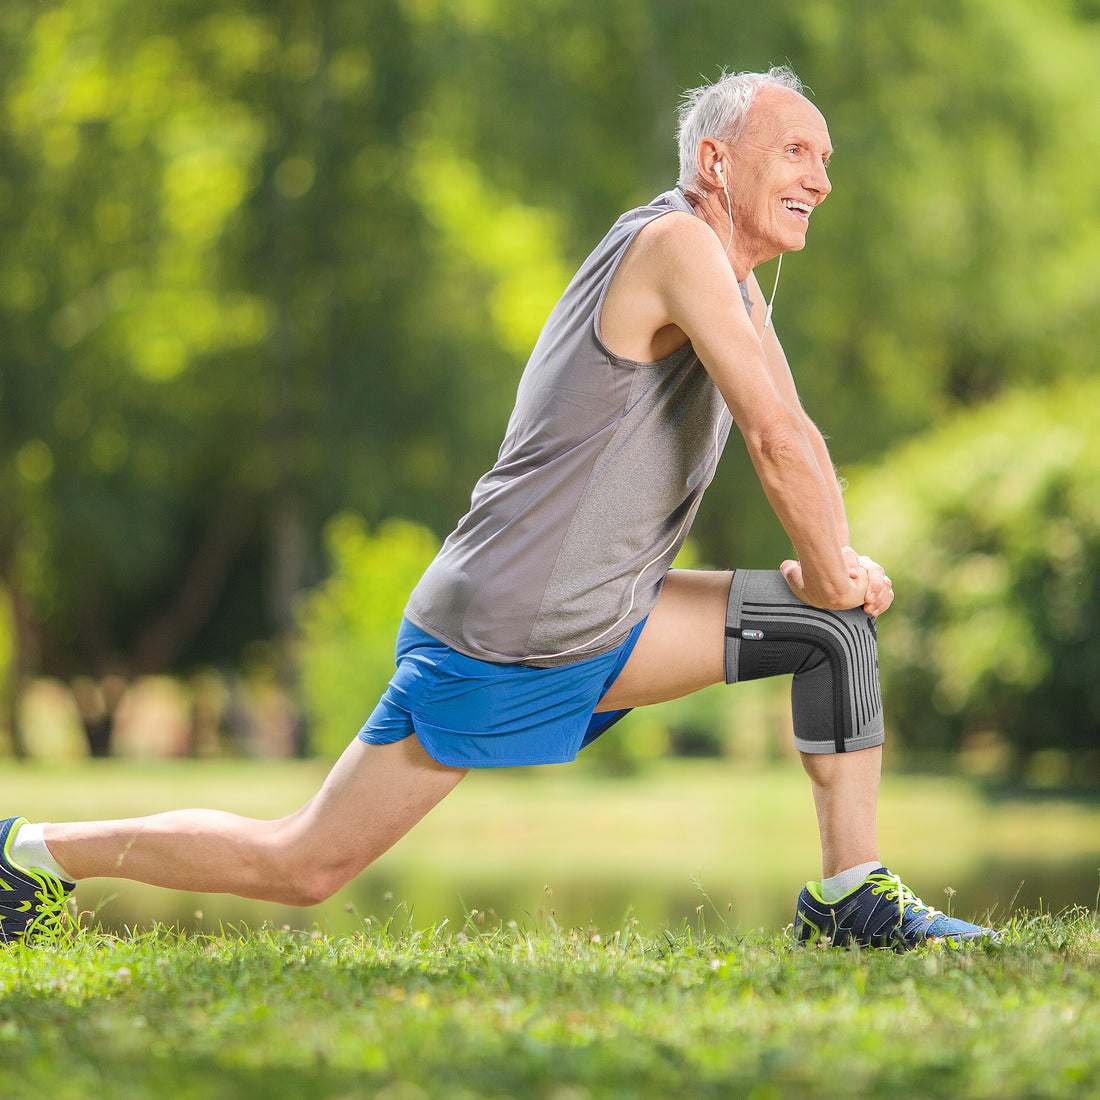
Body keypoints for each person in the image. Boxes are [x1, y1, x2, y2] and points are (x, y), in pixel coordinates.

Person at [0, 66, 995, 950]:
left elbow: (796, 433)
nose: (820, 177)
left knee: (829, 628)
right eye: (793, 150)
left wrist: (837, 571)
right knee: (303, 862)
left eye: (824, 157)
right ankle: (31, 852)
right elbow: (773, 442)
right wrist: (827, 567)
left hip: (604, 615)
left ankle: (847, 900)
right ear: (714, 159)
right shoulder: (675, 243)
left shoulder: (733, 280)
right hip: (509, 622)